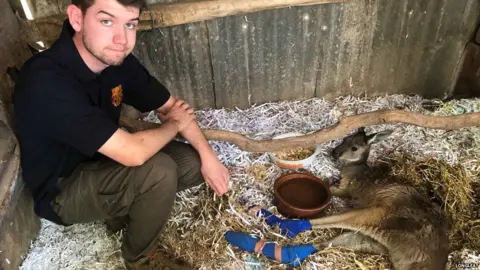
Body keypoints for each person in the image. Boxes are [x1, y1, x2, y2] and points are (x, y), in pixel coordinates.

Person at [12, 0, 230, 268]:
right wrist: (174, 125)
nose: (122, 39)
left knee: (192, 162)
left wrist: (209, 156)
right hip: (62, 189)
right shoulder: (45, 79)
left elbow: (172, 106)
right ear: (76, 18)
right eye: (106, 21)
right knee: (158, 171)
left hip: (105, 161)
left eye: (130, 24)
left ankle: (121, 206)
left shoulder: (116, 60)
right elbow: (134, 152)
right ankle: (139, 258)